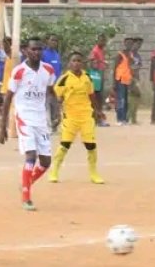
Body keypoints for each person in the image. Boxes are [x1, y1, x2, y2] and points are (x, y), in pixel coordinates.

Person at [0, 38, 56, 211]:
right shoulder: (19, 71)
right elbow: (8, 98)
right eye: (33, 49)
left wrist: (56, 111)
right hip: (24, 117)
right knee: (31, 156)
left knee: (46, 161)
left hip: (41, 120)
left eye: (39, 49)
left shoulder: (48, 70)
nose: (36, 52)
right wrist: (3, 127)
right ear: (26, 51)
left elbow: (50, 92)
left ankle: (26, 183)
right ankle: (26, 197)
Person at [49, 52, 105, 184]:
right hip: (70, 117)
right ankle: (54, 170)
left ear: (82, 63)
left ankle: (94, 173)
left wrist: (97, 110)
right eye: (74, 60)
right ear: (69, 63)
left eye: (79, 61)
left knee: (91, 145)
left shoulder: (87, 78)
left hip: (86, 116)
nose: (76, 63)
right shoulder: (64, 79)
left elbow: (91, 95)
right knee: (65, 144)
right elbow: (56, 96)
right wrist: (57, 112)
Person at [42, 34, 62, 131]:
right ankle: (47, 126)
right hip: (46, 85)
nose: (54, 42)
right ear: (47, 41)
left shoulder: (57, 54)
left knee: (56, 105)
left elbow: (59, 69)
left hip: (57, 85)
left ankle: (54, 125)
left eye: (56, 41)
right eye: (52, 40)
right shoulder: (43, 54)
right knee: (46, 104)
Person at [88, 34, 109, 127]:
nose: (102, 42)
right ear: (97, 41)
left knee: (100, 99)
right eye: (101, 40)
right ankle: (97, 119)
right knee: (96, 99)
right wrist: (99, 63)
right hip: (96, 77)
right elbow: (92, 62)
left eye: (104, 41)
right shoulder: (95, 50)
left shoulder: (102, 50)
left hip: (100, 76)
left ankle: (98, 119)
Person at [113, 38, 134, 125]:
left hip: (127, 80)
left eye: (131, 43)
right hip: (120, 80)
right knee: (121, 100)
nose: (129, 45)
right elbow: (115, 68)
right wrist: (114, 82)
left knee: (126, 100)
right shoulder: (120, 55)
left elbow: (130, 67)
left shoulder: (130, 55)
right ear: (124, 43)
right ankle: (119, 119)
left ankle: (125, 119)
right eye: (128, 43)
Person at [127, 37, 144, 125]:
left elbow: (140, 65)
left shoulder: (138, 55)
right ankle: (128, 118)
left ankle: (133, 118)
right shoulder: (129, 54)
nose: (138, 46)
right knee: (131, 97)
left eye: (140, 44)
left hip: (136, 77)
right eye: (137, 44)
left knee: (137, 96)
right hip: (130, 77)